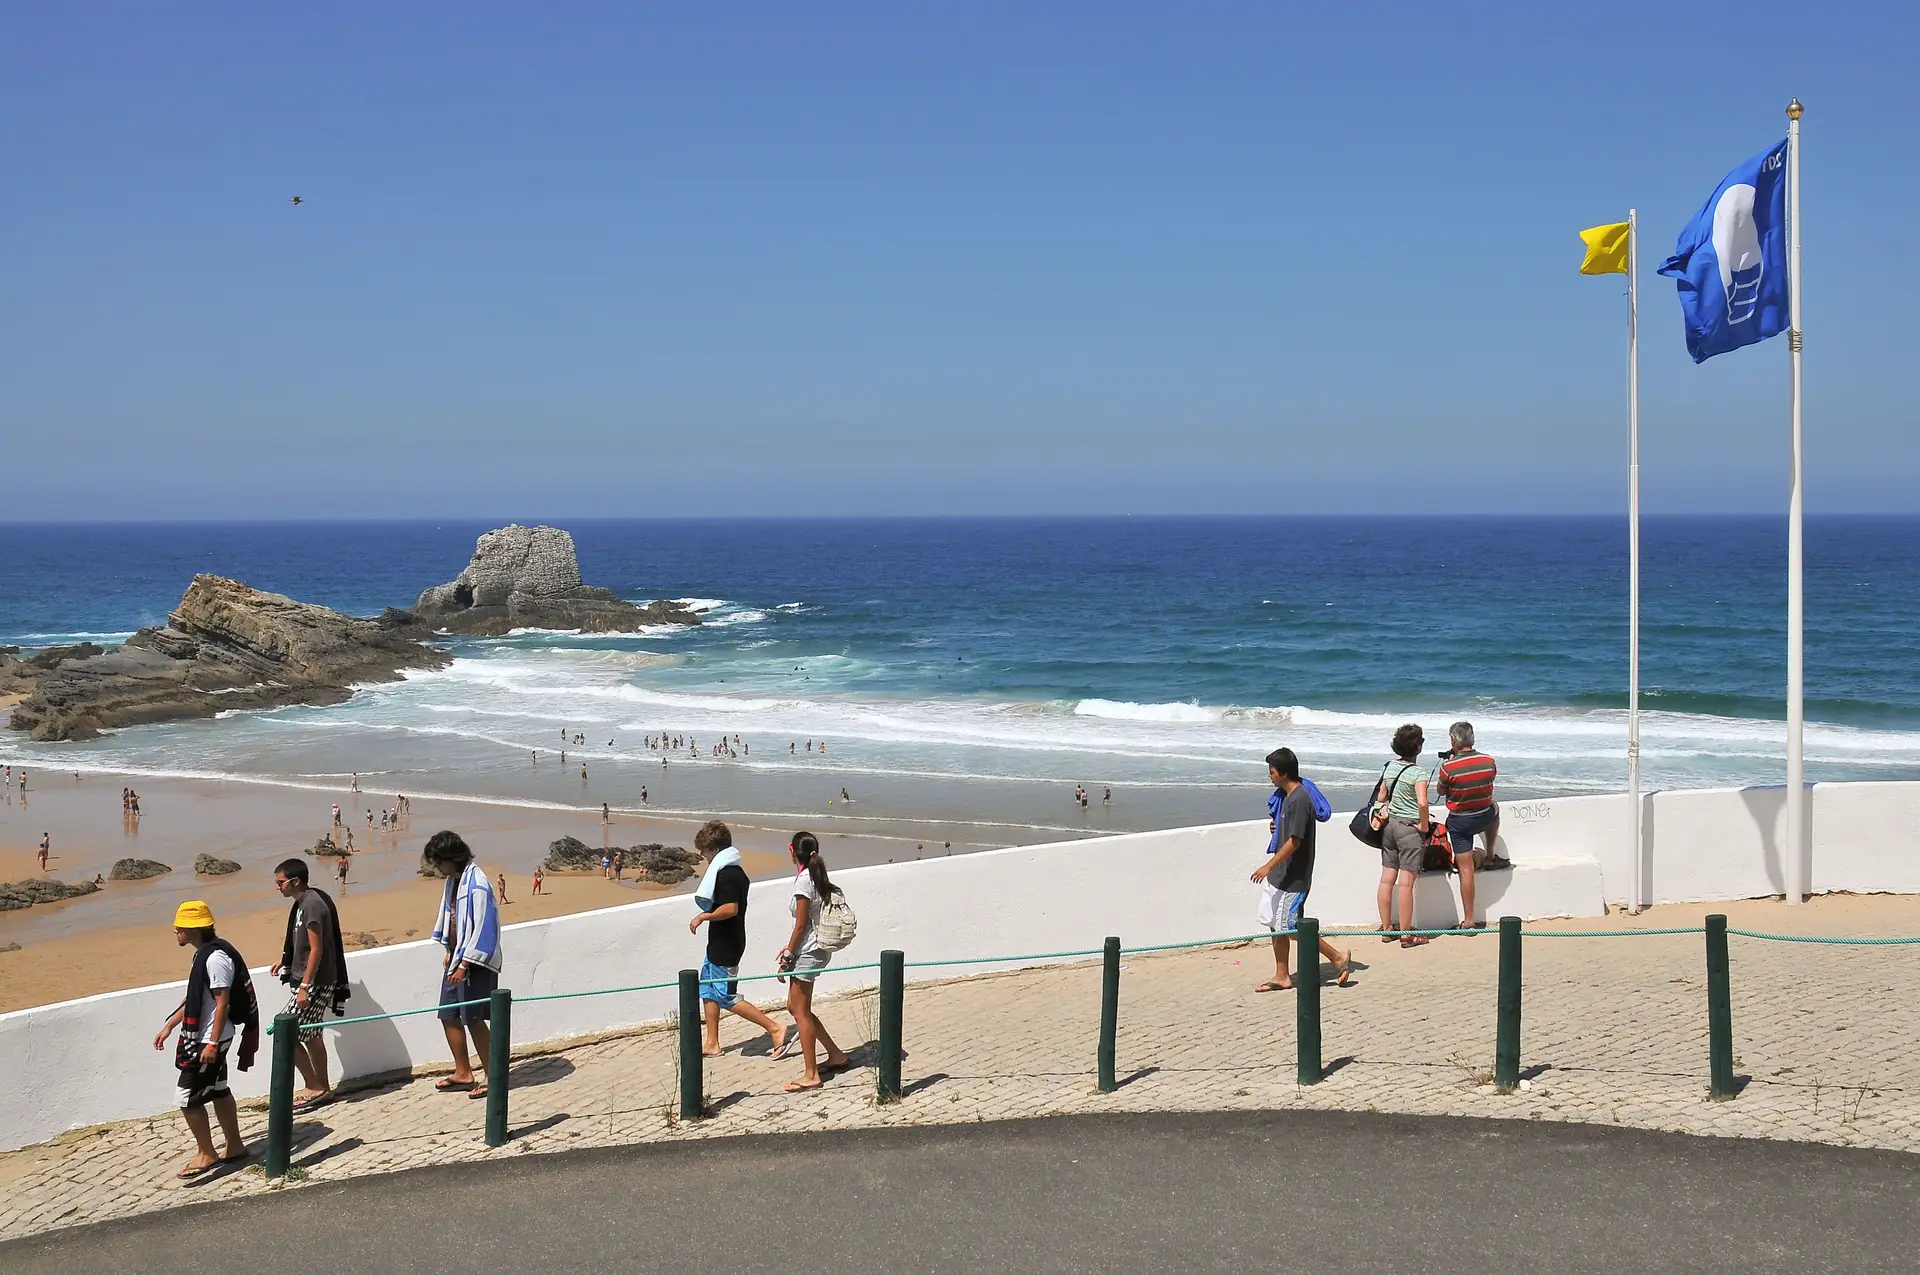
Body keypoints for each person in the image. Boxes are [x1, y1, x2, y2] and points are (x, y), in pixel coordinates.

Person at [153, 901, 257, 1178]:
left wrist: (211, 1043)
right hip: (213, 1037)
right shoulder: (204, 955)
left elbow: (222, 1003)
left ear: (192, 929)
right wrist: (170, 1026)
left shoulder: (214, 959)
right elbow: (195, 997)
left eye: (179, 927)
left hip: (211, 1040)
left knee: (186, 1098)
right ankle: (235, 1146)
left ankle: (206, 1153)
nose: (175, 931)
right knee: (219, 1089)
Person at [688, 820, 792, 1059]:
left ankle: (774, 1028)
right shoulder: (729, 871)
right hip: (719, 941)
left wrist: (703, 916)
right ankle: (712, 1043)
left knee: (726, 995)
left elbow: (730, 908)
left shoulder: (728, 874)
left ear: (714, 849)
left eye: (704, 850)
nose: (703, 855)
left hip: (728, 944)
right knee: (707, 989)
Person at [1250, 749, 1351, 990]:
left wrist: (1268, 866)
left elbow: (1295, 842)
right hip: (1281, 875)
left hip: (1294, 877)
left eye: (1272, 771)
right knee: (1275, 924)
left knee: (1291, 927)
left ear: (1283, 773)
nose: (1269, 775)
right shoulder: (1286, 797)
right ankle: (1282, 975)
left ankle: (1337, 957)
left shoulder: (1300, 799)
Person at [424, 831, 503, 1099]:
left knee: (475, 1019)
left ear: (452, 858)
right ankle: (463, 1072)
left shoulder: (477, 883)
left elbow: (484, 926)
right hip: (457, 957)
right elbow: (454, 917)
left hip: (473, 963)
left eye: (439, 862)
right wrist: (450, 950)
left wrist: (465, 964)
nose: (437, 867)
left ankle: (493, 1076)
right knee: (448, 1014)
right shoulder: (454, 881)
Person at [270, 859, 347, 1111]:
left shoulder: (312, 905)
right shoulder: (304, 903)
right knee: (312, 1035)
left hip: (315, 983)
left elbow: (317, 949)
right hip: (314, 980)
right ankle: (322, 1087)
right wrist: (285, 960)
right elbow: (302, 943)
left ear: (295, 881)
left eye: (281, 882)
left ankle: (313, 1085)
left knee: (285, 1033)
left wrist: (304, 986)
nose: (278, 887)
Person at [778, 831, 851, 1091]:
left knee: (800, 1011)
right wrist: (790, 948)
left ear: (791, 850)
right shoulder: (815, 875)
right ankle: (836, 1055)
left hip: (808, 951)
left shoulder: (804, 881)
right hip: (811, 947)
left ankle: (811, 1074)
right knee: (796, 1007)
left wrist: (787, 956)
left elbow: (800, 926)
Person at [1437, 721, 1502, 931]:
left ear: (1453, 740)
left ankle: (1469, 920)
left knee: (1466, 871)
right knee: (1495, 808)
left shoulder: (1448, 767)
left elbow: (1440, 791)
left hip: (1460, 823)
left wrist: (1451, 764)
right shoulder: (1488, 761)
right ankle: (1490, 854)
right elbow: (1489, 780)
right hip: (1483, 816)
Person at [1373, 725, 1431, 947]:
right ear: (1418, 747)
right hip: (1408, 828)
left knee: (1386, 879)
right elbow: (1422, 803)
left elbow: (1381, 797)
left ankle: (1387, 928)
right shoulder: (1418, 773)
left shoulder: (1389, 767)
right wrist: (1423, 825)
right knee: (1406, 884)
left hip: (1390, 826)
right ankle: (1407, 935)